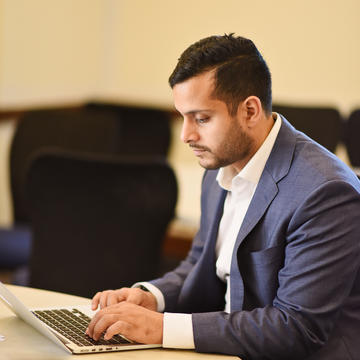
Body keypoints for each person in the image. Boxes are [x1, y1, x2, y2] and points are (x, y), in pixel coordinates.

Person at [86, 34, 360, 359]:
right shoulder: (217, 164)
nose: (187, 135)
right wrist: (152, 297)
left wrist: (160, 327)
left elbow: (296, 327)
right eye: (183, 116)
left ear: (250, 111)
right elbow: (202, 263)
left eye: (201, 119)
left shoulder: (325, 191)